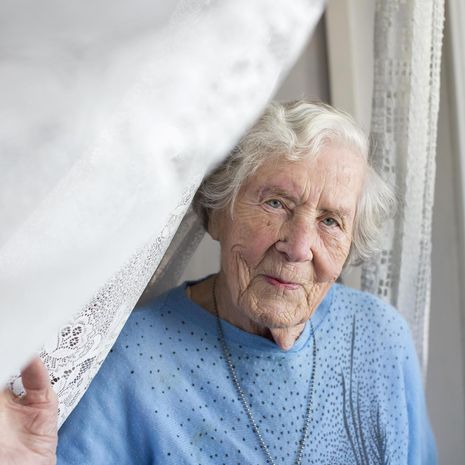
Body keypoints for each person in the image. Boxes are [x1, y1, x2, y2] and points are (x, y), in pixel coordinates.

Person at [1, 101, 436, 464]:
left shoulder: (381, 337)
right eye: (276, 203)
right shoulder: (132, 359)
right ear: (216, 214)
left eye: (330, 221)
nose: (299, 247)